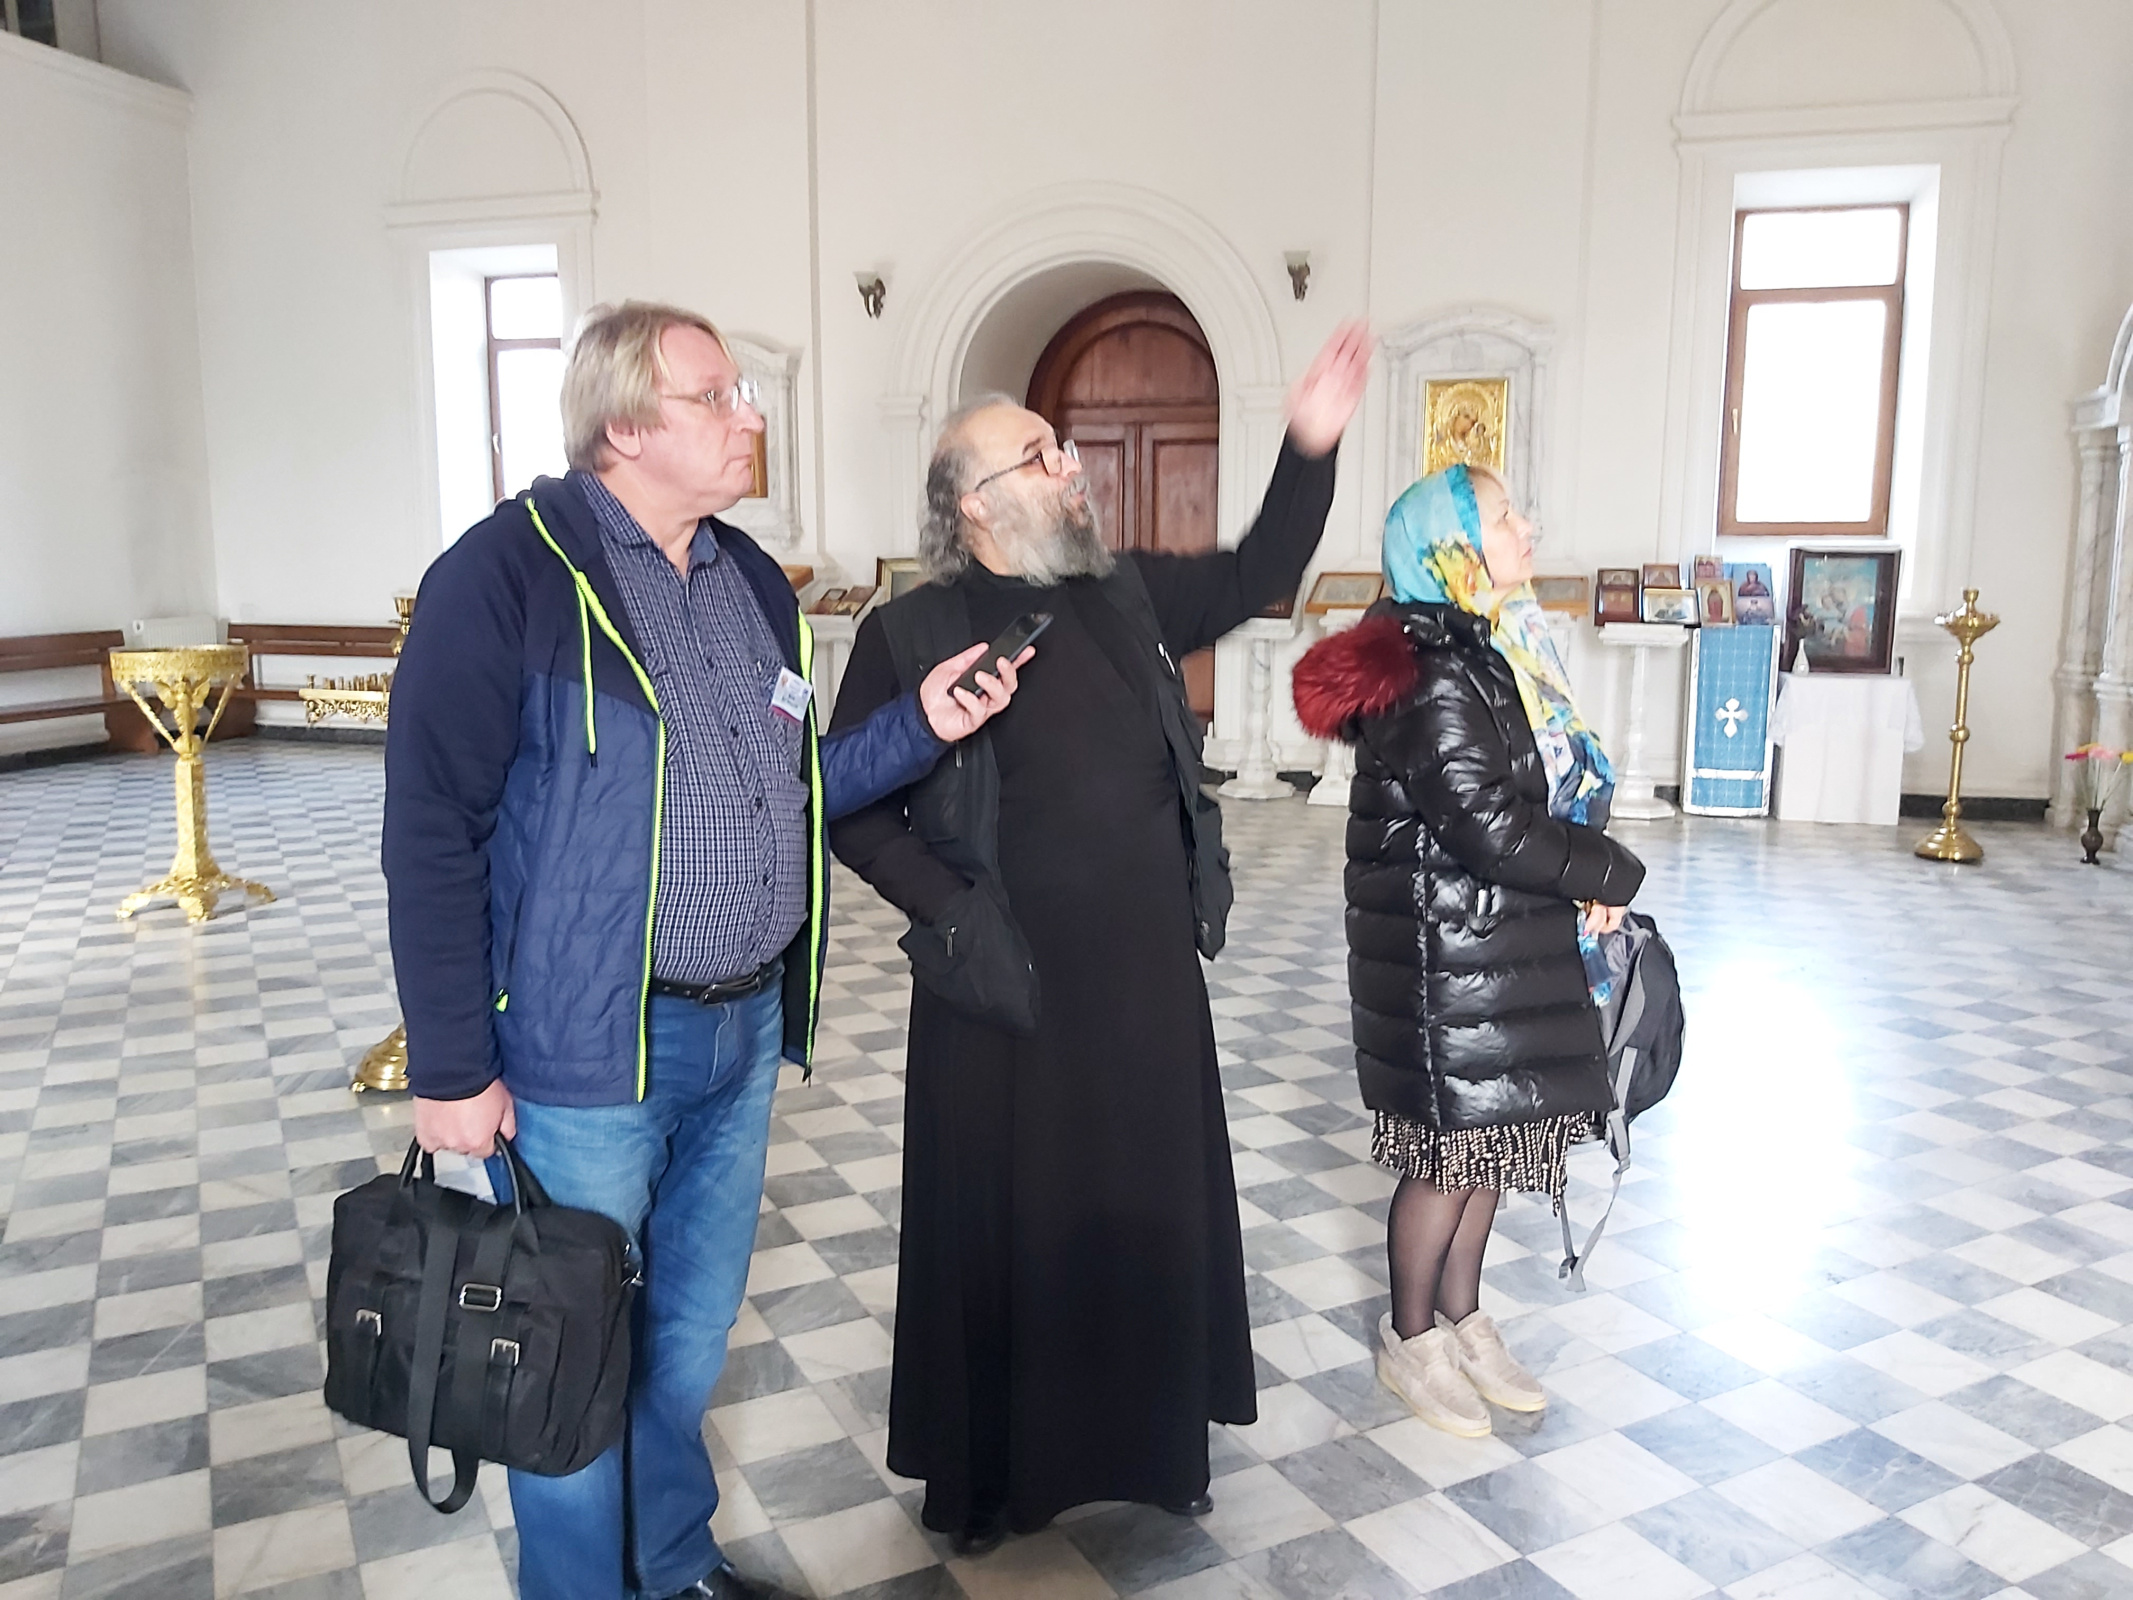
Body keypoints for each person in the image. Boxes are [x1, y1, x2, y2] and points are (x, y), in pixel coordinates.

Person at [384, 300, 1025, 1600]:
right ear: (624, 427)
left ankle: (671, 1564)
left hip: (739, 1034)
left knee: (683, 1337)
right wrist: (451, 1066)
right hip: (585, 1051)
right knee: (572, 1359)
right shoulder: (505, 578)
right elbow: (430, 830)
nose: (750, 416)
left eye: (743, 392)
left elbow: (796, 781)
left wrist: (919, 725)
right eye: (717, 396)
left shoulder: (748, 583)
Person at [828, 323, 1372, 1550]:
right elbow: (847, 805)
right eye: (1040, 455)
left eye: (1063, 450)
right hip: (1000, 983)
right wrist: (950, 910)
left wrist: (1310, 445)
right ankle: (994, 1478)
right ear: (973, 502)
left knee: (1141, 1201)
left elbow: (1260, 569)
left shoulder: (1122, 591)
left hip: (1140, 976)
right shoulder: (909, 633)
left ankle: (1146, 1449)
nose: (1070, 467)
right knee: (1010, 1220)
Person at [1291, 463, 1645, 1436]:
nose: (1526, 528)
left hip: (1495, 938)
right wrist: (1606, 870)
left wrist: (1581, 877)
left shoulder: (1489, 643)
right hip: (1442, 951)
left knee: (1488, 1140)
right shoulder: (1429, 670)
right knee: (1448, 1155)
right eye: (1501, 516)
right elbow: (1488, 826)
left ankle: (1464, 1320)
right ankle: (1411, 1338)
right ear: (1449, 548)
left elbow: (1531, 800)